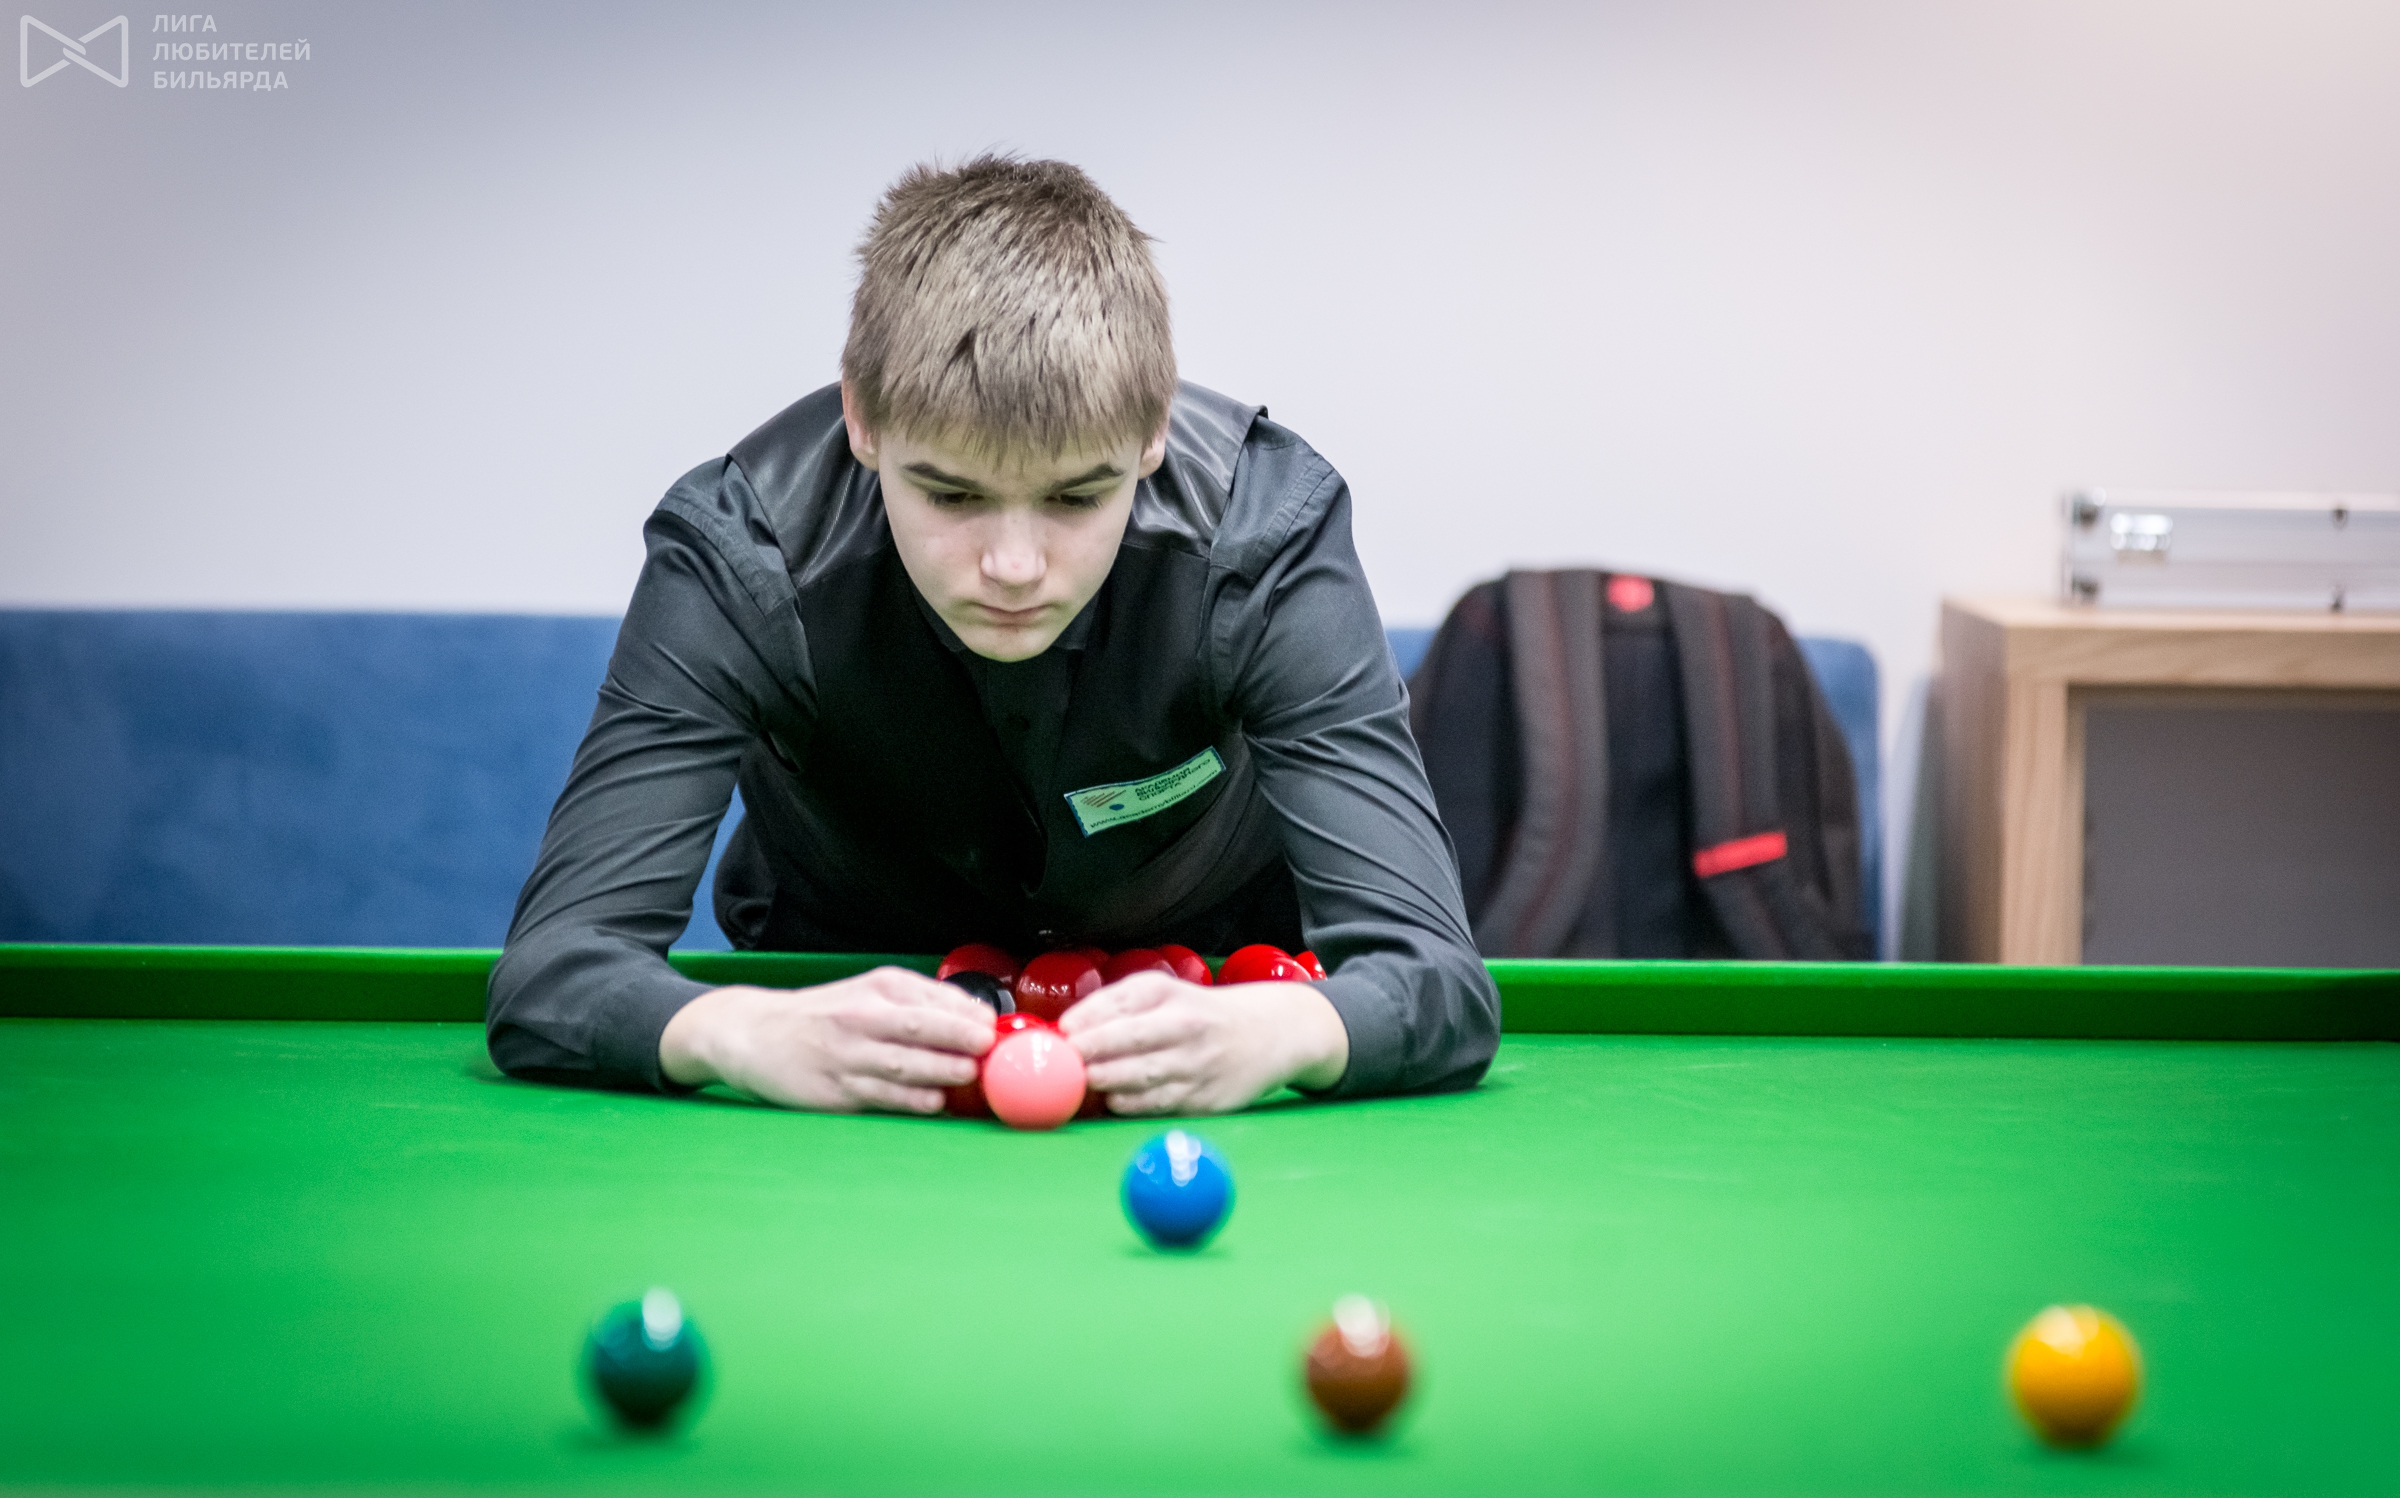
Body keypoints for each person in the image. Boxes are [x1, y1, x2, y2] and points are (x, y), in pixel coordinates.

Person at [487, 156, 1497, 1116]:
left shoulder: (1265, 530)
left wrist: (1291, 1031)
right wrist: (735, 1031)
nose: (1014, 565)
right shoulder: (740, 553)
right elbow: (554, 970)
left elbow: (1436, 978)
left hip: (1214, 988)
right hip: (850, 986)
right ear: (863, 418)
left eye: (1076, 496)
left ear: (1152, 428)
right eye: (952, 493)